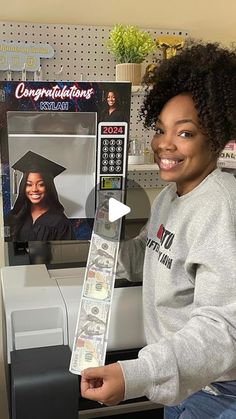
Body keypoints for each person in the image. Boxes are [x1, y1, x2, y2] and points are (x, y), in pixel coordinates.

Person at [80, 41, 236, 418]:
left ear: (215, 136)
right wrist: (104, 234)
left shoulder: (221, 206)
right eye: (161, 129)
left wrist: (135, 373)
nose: (165, 144)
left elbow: (222, 328)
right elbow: (145, 257)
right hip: (181, 384)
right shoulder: (172, 195)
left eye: (184, 133)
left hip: (218, 394)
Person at [7, 150, 75, 241]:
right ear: (23, 187)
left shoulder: (60, 222)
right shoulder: (15, 216)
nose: (34, 189)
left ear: (48, 187)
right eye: (29, 184)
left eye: (41, 184)